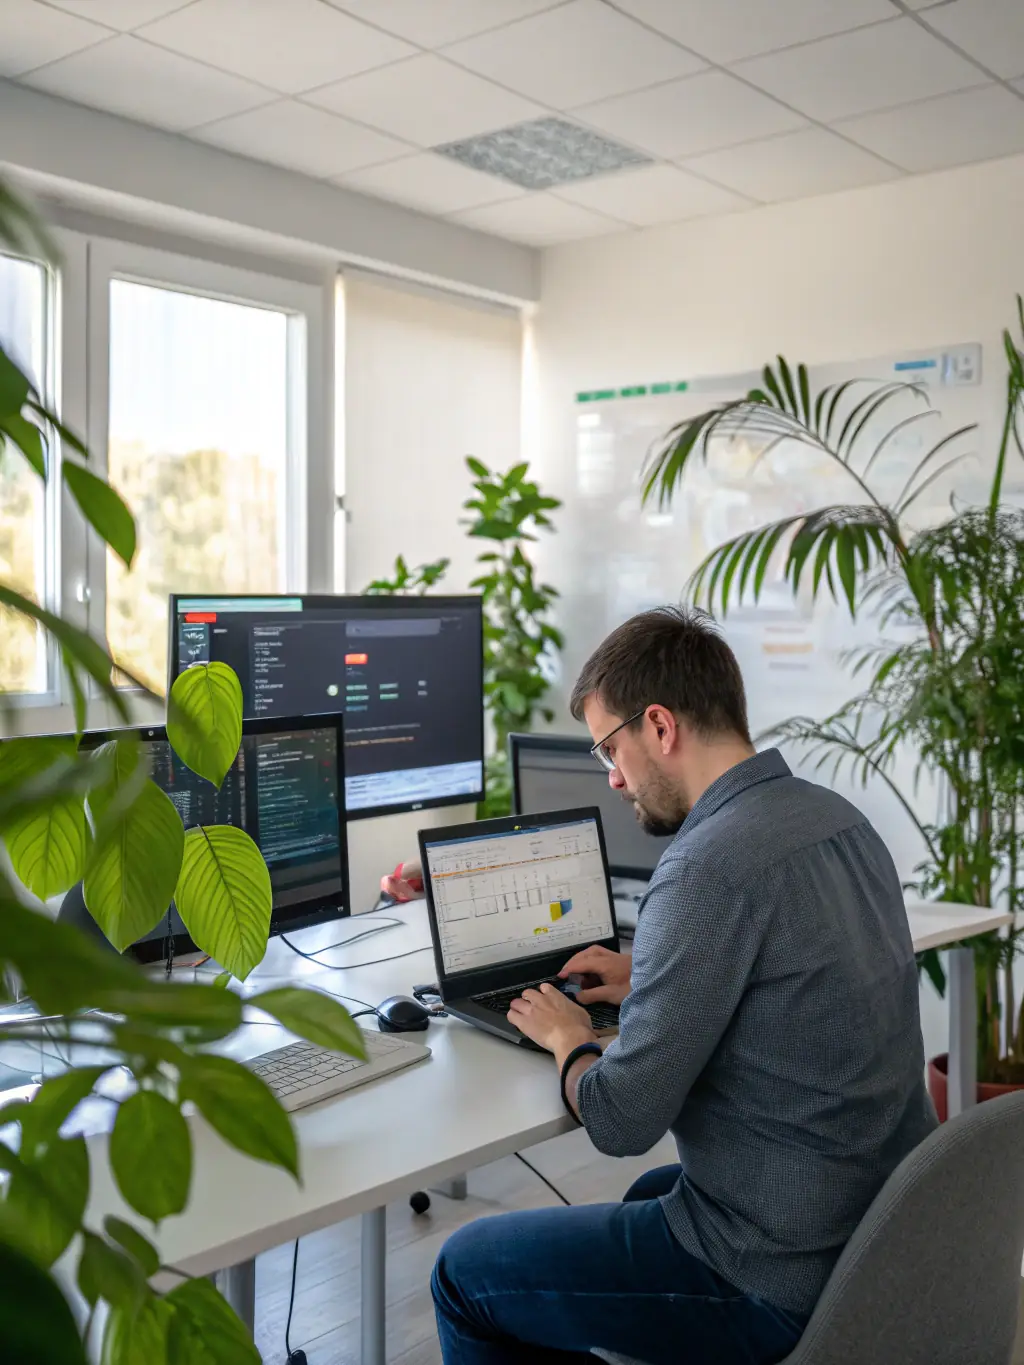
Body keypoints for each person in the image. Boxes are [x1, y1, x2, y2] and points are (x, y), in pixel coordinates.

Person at [383, 606, 937, 1365]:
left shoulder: (704, 866)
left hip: (777, 1277)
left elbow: (619, 1120)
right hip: (882, 1233)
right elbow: (796, 980)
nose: (611, 775)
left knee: (464, 1272)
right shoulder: (838, 820)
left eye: (610, 747)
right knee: (651, 1194)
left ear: (660, 726)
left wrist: (569, 1039)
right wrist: (651, 973)